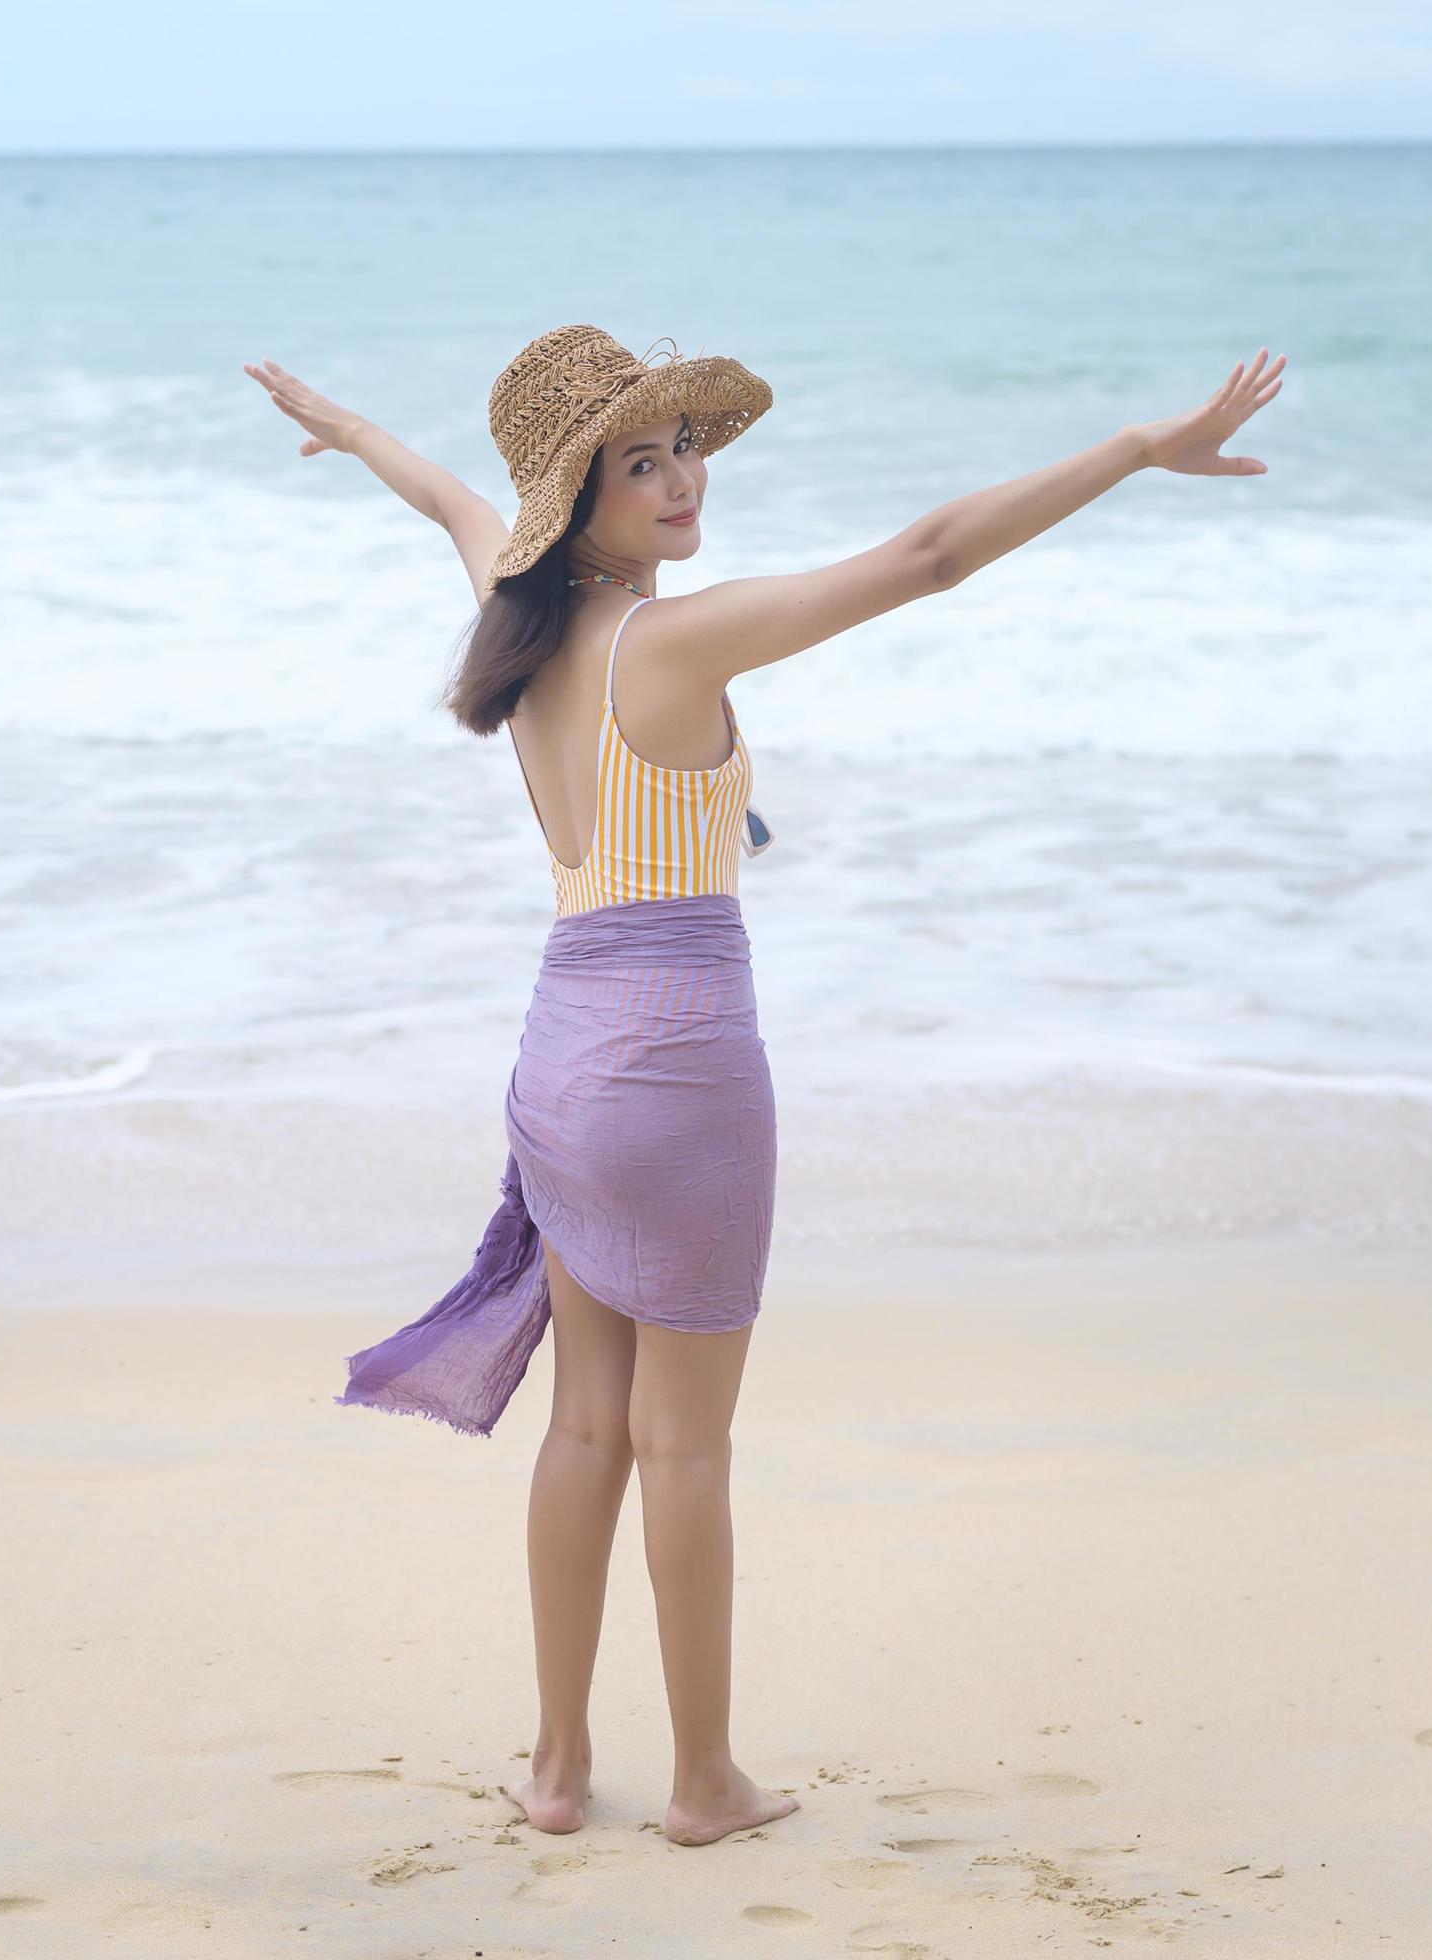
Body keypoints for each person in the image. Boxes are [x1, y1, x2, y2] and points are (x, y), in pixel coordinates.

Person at [244, 325, 1283, 1848]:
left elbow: (444, 500)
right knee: (684, 1441)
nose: (681, 481)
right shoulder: (671, 643)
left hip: (556, 1063)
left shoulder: (516, 621)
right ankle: (703, 1782)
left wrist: (349, 427)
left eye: (683, 450)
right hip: (677, 1075)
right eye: (639, 463)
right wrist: (1134, 449)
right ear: (575, 502)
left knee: (585, 1426)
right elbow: (928, 558)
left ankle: (551, 1767)